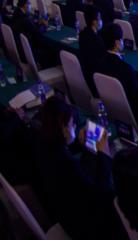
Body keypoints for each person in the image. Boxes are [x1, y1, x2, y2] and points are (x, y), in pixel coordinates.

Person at [31, 97, 122, 239]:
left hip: (65, 211)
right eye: (72, 124)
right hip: (87, 226)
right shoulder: (65, 163)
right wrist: (104, 155)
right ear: (63, 127)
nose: (74, 127)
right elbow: (102, 193)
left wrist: (85, 146)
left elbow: (81, 173)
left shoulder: (43, 143)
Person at [94, 23, 138, 125]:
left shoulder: (100, 64)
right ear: (117, 43)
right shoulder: (125, 69)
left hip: (114, 111)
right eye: (121, 39)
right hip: (136, 114)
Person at [78, 6, 106, 91]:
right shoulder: (96, 39)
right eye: (100, 18)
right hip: (96, 79)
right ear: (94, 21)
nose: (101, 20)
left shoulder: (82, 34)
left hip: (86, 73)